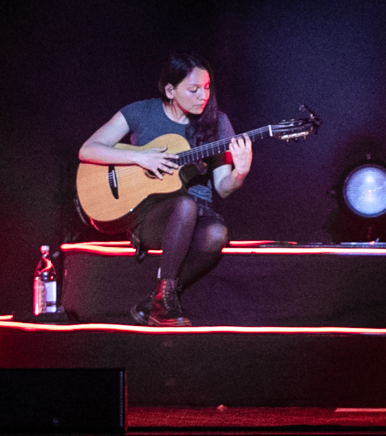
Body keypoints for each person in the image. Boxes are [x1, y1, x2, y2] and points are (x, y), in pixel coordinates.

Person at [78, 52, 254, 326]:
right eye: (193, 89)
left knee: (216, 232)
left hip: (199, 216)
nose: (203, 96)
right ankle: (163, 305)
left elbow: (223, 187)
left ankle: (157, 301)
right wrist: (139, 157)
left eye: (207, 88)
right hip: (149, 215)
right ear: (171, 90)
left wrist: (240, 172)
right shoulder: (141, 111)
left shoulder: (218, 123)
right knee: (185, 204)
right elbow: (88, 150)